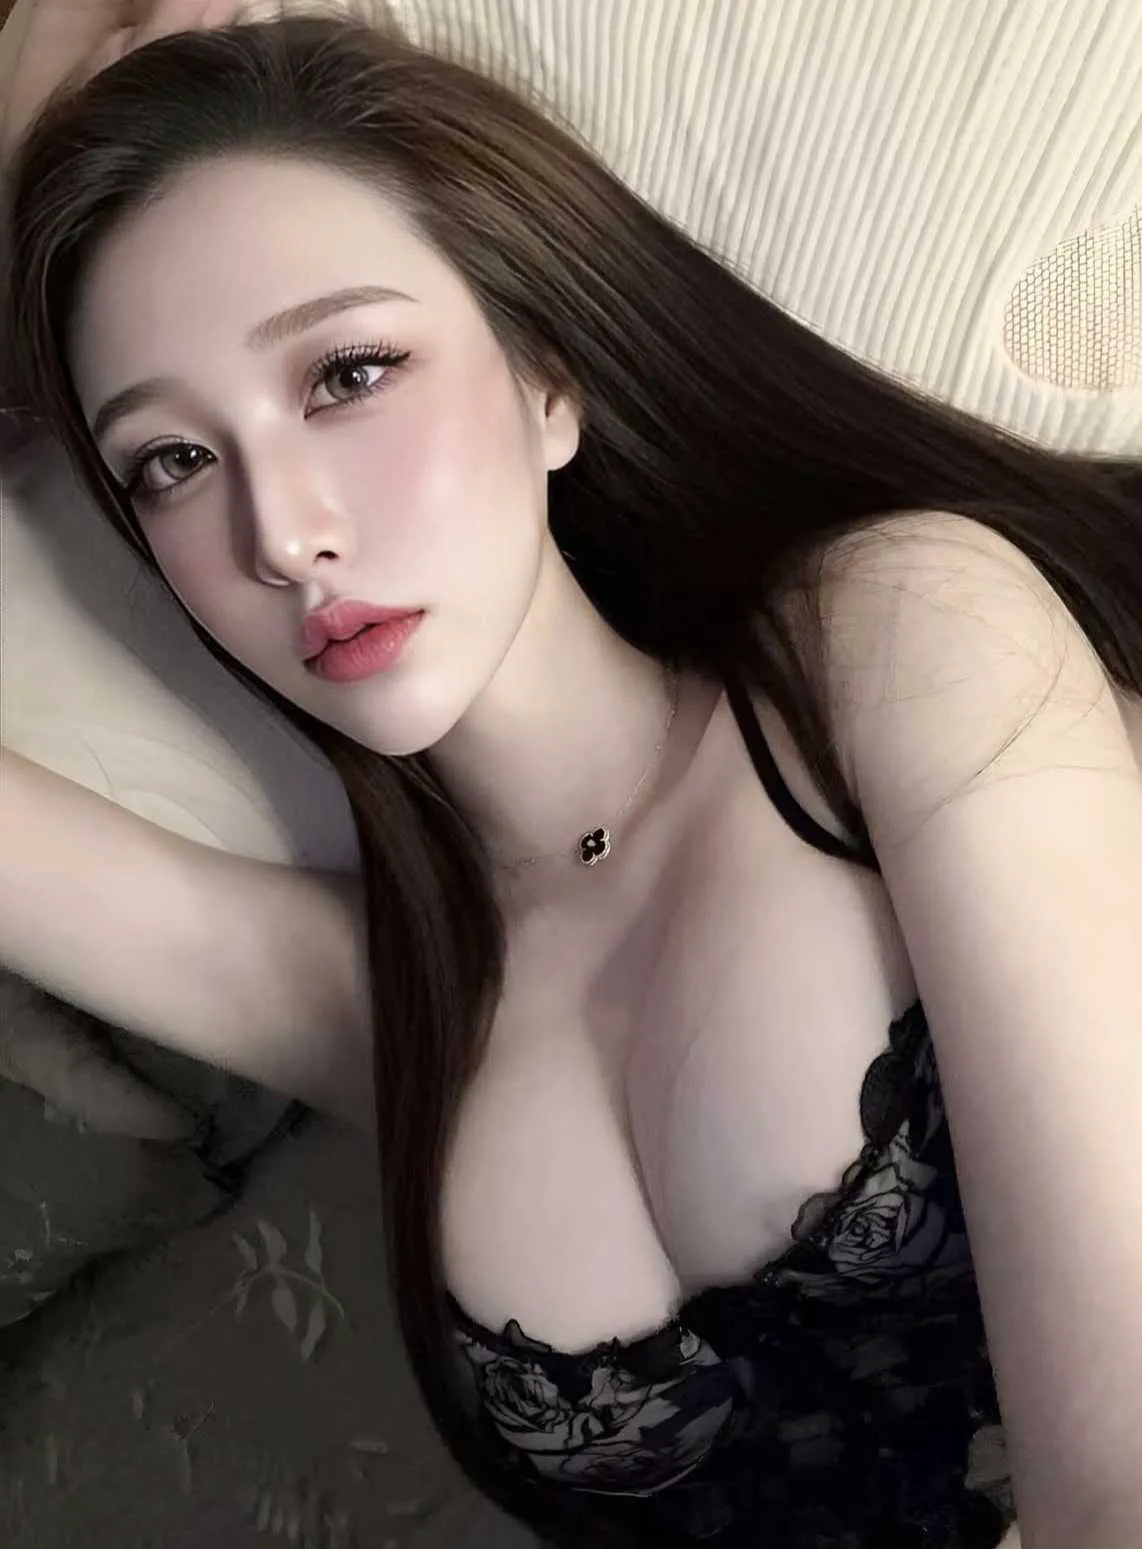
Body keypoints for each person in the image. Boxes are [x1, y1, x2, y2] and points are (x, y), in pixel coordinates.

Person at [1, 6, 1141, 1547]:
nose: (281, 534)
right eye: (173, 462)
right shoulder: (378, 992)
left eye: (347, 372)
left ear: (547, 377)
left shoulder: (887, 628)